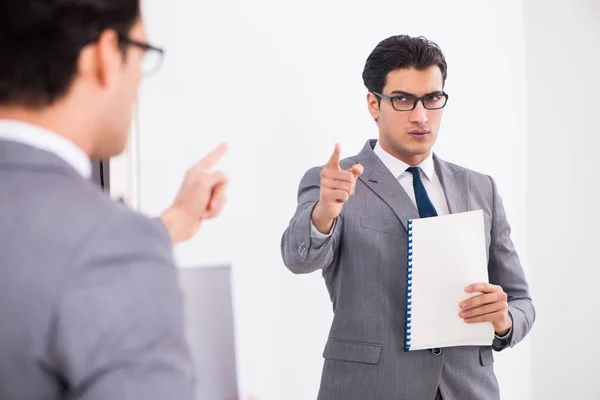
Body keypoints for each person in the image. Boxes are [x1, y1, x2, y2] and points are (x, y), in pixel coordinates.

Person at [281, 35, 535, 400]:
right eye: (402, 100)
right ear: (374, 103)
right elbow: (299, 258)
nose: (421, 116)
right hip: (370, 389)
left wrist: (503, 320)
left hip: (468, 389)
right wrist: (326, 211)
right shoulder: (335, 182)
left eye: (432, 99)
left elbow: (521, 301)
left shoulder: (481, 188)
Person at [0, 0, 229, 398]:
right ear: (106, 55)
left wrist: (171, 223)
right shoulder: (112, 246)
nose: (140, 79)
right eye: (143, 54)